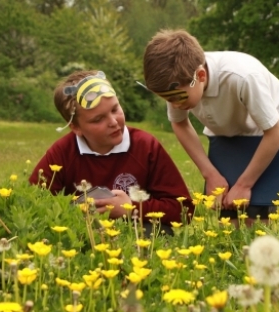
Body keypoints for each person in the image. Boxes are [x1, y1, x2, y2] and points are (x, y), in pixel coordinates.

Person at [142, 29, 279, 220]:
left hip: (265, 131)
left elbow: (275, 133)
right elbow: (179, 123)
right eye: (166, 99)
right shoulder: (178, 82)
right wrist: (210, 174)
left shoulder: (243, 77)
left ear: (201, 75)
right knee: (226, 211)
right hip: (224, 130)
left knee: (254, 211)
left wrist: (244, 185)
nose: (174, 105)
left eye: (177, 98)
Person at [29, 70, 194, 229]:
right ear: (76, 127)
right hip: (83, 237)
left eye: (115, 109)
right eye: (98, 119)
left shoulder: (146, 146)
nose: (113, 122)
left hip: (137, 237)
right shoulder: (63, 153)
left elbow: (184, 210)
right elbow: (32, 206)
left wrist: (131, 207)